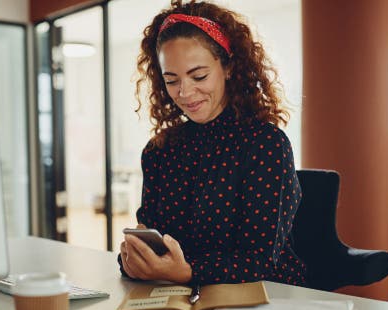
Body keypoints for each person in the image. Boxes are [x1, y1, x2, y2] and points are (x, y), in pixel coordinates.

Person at [118, 0, 305, 287]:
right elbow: (152, 237)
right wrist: (136, 258)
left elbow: (260, 260)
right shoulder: (159, 151)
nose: (185, 92)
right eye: (171, 80)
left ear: (228, 67)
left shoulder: (266, 145)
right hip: (179, 293)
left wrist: (187, 272)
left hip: (265, 296)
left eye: (199, 76)